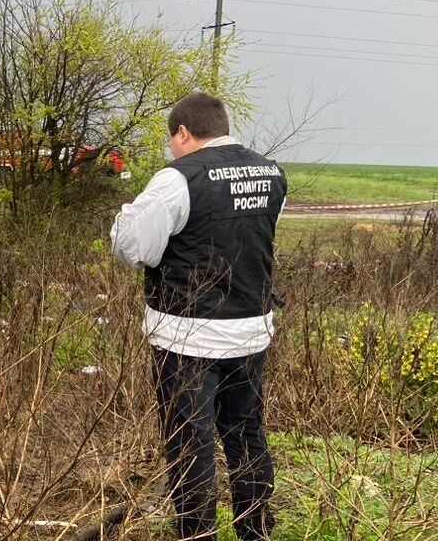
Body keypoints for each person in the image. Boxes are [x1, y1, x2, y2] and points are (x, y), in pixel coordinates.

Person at [109, 92, 287, 541]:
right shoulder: (271, 172)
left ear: (183, 132)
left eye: (173, 140)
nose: (173, 149)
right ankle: (255, 531)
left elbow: (134, 249)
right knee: (246, 432)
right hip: (251, 330)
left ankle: (196, 535)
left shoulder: (177, 179)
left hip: (187, 336)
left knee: (190, 441)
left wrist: (124, 222)